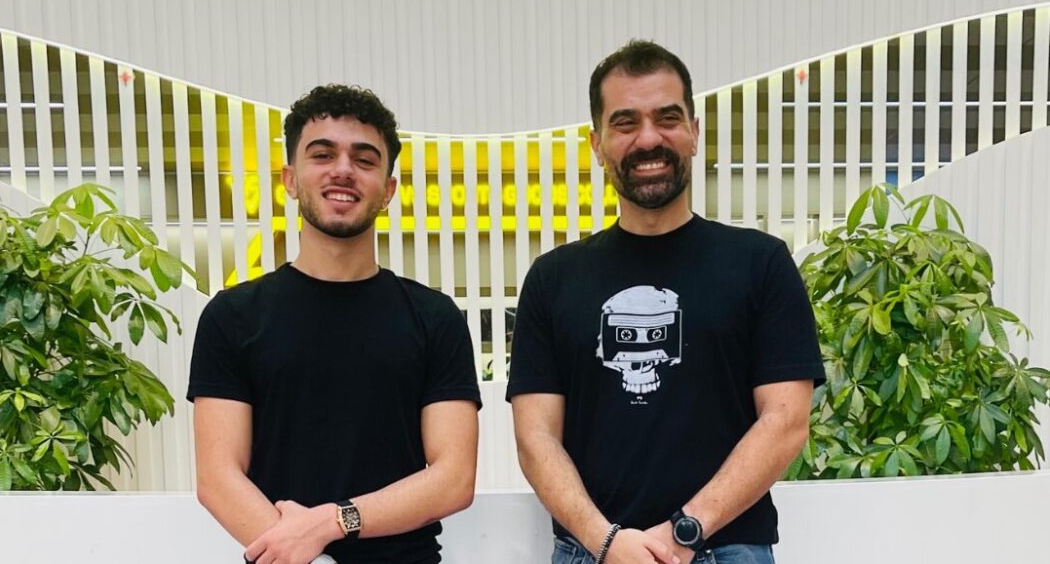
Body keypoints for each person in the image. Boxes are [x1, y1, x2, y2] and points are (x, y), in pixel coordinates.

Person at [507, 40, 824, 564]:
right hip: (592, 552)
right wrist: (607, 542)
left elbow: (786, 421)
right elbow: (536, 437)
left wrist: (684, 531)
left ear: (694, 133)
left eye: (668, 118)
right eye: (625, 122)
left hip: (727, 549)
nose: (649, 138)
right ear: (597, 142)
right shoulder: (553, 279)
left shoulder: (760, 263)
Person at [188, 84, 481, 564]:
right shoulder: (232, 316)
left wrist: (329, 522)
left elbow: (453, 478)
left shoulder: (434, 318)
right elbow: (218, 478)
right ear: (290, 178)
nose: (343, 169)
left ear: (388, 191)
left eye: (364, 160)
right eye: (322, 154)